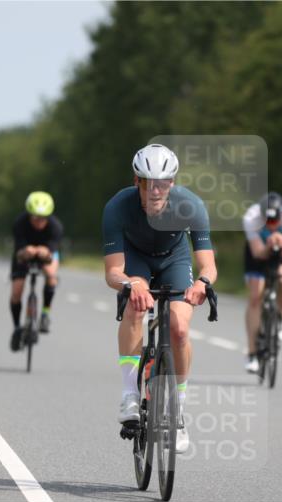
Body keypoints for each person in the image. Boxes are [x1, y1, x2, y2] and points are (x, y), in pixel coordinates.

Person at [103, 143, 217, 453]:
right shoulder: (117, 207)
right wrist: (129, 284)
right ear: (136, 181)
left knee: (179, 329)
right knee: (134, 306)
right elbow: (113, 271)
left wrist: (204, 282)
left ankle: (177, 411)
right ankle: (129, 394)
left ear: (173, 183)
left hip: (174, 260)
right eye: (148, 182)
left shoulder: (191, 205)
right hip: (136, 260)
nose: (155, 190)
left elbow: (208, 263)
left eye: (163, 183)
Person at [242, 192, 282, 373]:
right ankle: (252, 353)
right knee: (255, 298)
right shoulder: (251, 218)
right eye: (267, 222)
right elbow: (258, 253)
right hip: (258, 255)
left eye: (275, 222)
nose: (272, 226)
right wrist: (268, 245)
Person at [10, 191, 64, 351]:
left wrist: (43, 252)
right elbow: (18, 251)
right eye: (34, 217)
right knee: (17, 291)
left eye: (42, 218)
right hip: (23, 254)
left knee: (51, 275)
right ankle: (17, 327)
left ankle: (45, 313)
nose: (38, 222)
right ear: (29, 215)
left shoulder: (56, 226)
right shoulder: (19, 223)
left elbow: (51, 254)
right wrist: (26, 251)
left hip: (45, 254)